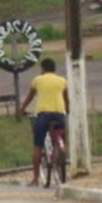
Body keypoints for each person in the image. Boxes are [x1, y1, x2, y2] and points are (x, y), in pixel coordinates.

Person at [20, 58, 69, 186]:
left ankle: (35, 178)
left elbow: (30, 97)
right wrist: (67, 111)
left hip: (43, 115)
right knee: (61, 134)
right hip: (59, 114)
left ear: (43, 69)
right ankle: (61, 148)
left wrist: (23, 109)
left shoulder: (38, 80)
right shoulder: (62, 81)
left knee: (37, 146)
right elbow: (66, 100)